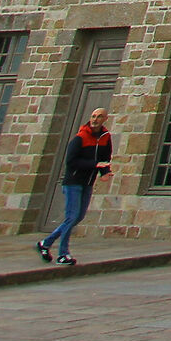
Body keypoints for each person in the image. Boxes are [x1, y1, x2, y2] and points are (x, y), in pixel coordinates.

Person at [36, 108, 112, 266]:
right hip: (73, 182)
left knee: (78, 217)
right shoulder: (80, 138)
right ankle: (63, 254)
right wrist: (94, 164)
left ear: (105, 119)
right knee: (71, 217)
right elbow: (71, 162)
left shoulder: (105, 137)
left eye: (99, 117)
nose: (95, 119)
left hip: (87, 183)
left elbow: (105, 158)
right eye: (93, 116)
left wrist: (104, 172)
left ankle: (46, 243)